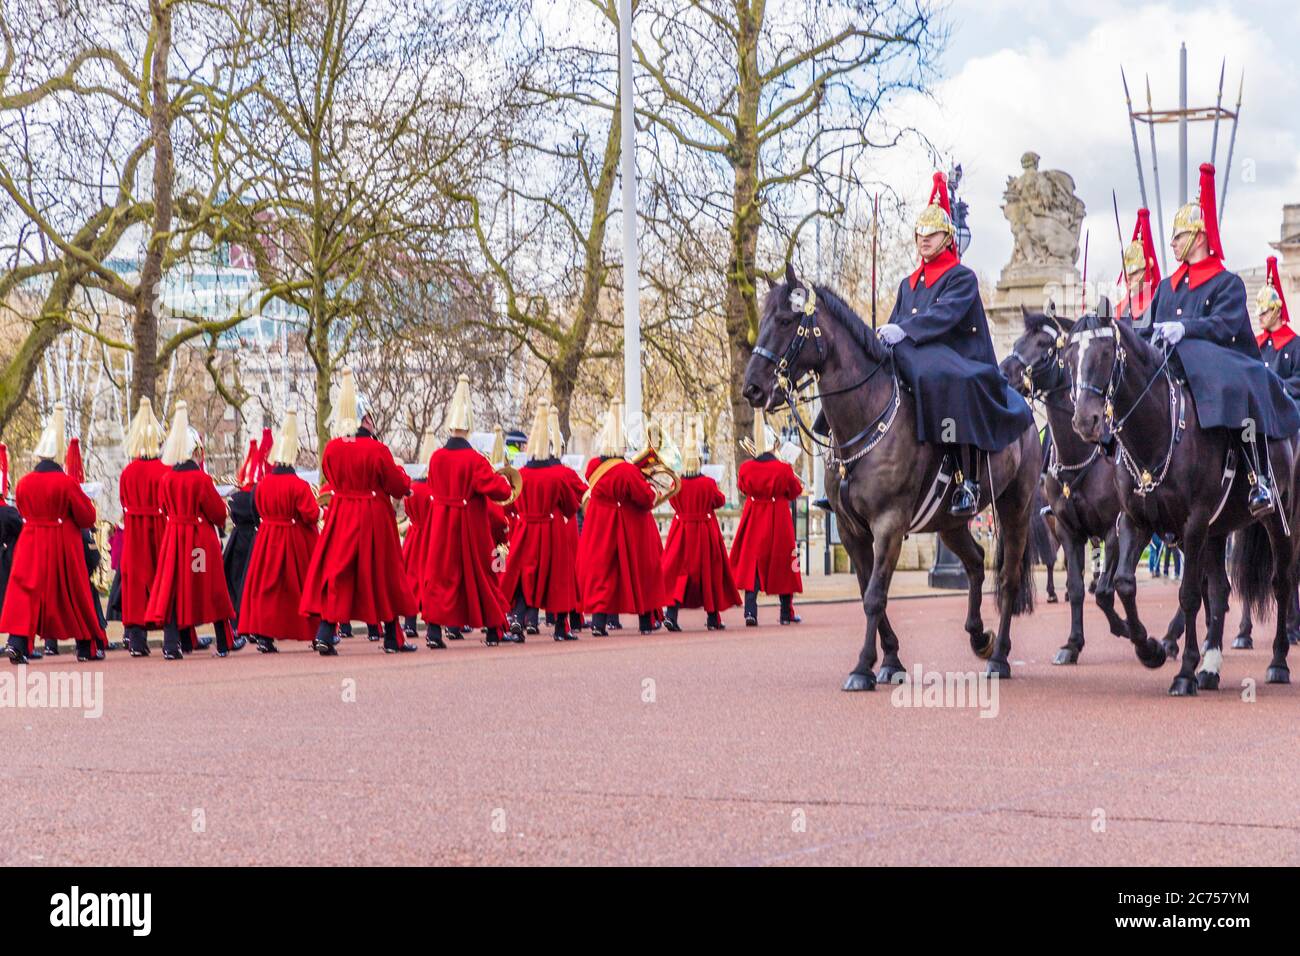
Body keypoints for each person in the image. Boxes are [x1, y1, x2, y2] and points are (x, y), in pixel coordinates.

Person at [875, 171, 1034, 516]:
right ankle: (843, 463)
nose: (924, 239)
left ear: (947, 238)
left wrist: (905, 331)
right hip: (914, 352)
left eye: (932, 233)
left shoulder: (961, 277)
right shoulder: (907, 283)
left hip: (959, 357)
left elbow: (946, 316)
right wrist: (883, 335)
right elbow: (896, 320)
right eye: (920, 233)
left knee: (952, 380)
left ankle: (967, 479)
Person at [1146, 162, 1300, 516]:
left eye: (1179, 235)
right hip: (1173, 366)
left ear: (1199, 236)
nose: (1172, 242)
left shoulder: (1227, 282)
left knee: (1240, 389)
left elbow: (1227, 325)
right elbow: (1150, 327)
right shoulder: (1167, 288)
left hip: (1219, 363)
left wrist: (1188, 329)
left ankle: (1256, 476)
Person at [300, 368, 417, 655]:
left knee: (339, 573)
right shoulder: (377, 450)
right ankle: (392, 637)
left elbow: (329, 476)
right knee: (383, 574)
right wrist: (405, 481)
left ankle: (326, 632)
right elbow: (396, 483)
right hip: (373, 515)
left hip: (341, 514)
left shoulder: (332, 449)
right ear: (366, 418)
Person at [1, 404, 106, 664]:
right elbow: (86, 517)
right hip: (61, 543)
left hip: (31, 542)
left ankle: (17, 643)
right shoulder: (66, 483)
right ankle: (86, 646)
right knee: (73, 594)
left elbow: (23, 509)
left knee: (27, 594)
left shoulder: (24, 482)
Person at [420, 376, 515, 647]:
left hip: (440, 523)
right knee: (482, 575)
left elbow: (432, 485)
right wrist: (505, 483)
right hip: (469, 526)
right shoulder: (475, 460)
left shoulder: (436, 457)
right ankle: (494, 630)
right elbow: (498, 490)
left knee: (440, 577)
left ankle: (435, 632)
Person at [144, 401, 240, 659]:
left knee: (174, 588)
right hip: (199, 541)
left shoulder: (166, 479)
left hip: (174, 538)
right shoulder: (201, 479)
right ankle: (223, 642)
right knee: (211, 587)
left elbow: (164, 507)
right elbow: (217, 513)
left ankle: (172, 643)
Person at [578, 399, 666, 636]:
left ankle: (598, 623)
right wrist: (653, 489)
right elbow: (645, 497)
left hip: (599, 525)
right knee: (641, 571)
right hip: (628, 526)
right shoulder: (627, 470)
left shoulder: (593, 466)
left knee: (602, 573)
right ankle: (646, 621)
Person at [238, 410, 321, 652]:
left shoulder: (263, 484)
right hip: (295, 540)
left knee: (268, 589)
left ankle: (264, 635)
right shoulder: (299, 485)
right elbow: (310, 514)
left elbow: (255, 509)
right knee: (303, 586)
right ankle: (315, 632)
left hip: (267, 537)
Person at [501, 400, 585, 642]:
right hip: (552, 528)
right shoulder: (558, 475)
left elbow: (512, 503)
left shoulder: (522, 475)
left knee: (524, 575)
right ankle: (561, 627)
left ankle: (517, 618)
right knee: (557, 579)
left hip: (526, 528)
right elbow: (571, 505)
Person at [662, 418, 739, 631]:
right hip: (705, 532)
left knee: (680, 574)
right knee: (709, 574)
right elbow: (719, 500)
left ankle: (672, 614)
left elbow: (671, 500)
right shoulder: (707, 483)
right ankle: (713, 618)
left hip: (681, 532)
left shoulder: (676, 482)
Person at [729, 411, 803, 626]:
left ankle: (750, 612)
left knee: (753, 564)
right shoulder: (783, 468)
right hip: (778, 517)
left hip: (754, 516)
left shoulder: (746, 468)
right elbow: (795, 490)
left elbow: (742, 487)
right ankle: (785, 613)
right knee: (785, 563)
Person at [118, 397, 170, 657]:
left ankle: (137, 640)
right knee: (164, 578)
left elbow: (123, 501)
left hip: (134, 530)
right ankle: (174, 636)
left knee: (135, 585)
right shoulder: (164, 470)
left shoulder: (127, 472)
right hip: (159, 527)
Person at [224, 430, 270, 628]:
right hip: (254, 536)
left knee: (236, 579)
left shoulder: (235, 497)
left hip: (237, 538)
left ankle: (235, 621)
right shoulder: (256, 495)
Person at [400, 428, 437, 644]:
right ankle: (435, 627)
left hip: (413, 536)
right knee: (432, 581)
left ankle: (410, 624)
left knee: (412, 580)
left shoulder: (412, 487)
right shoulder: (434, 489)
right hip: (430, 536)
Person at [1255, 256, 1300, 401]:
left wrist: (1279, 388)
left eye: (1264, 312)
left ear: (1277, 311)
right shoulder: (1257, 344)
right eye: (1259, 313)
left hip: (1286, 405)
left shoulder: (1295, 344)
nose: (1260, 317)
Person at [1117, 208, 1160, 326]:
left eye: (1134, 272)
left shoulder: (1157, 304)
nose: (1128, 278)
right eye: (1127, 274)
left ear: (1148, 272)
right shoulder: (1121, 307)